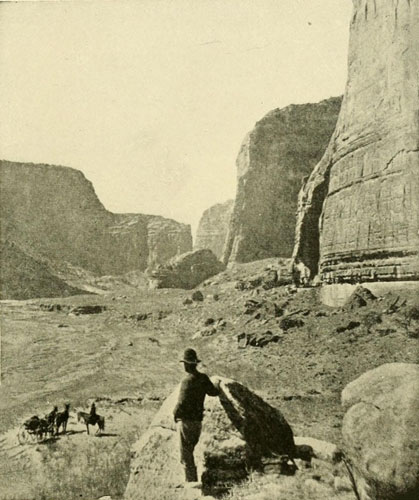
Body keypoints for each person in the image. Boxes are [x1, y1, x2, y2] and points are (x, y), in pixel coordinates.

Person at [173, 348, 219, 483]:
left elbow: (181, 402)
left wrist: (175, 414)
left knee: (186, 456)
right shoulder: (203, 378)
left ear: (187, 364)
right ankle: (194, 481)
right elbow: (213, 392)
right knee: (192, 451)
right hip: (197, 422)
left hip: (186, 421)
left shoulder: (187, 381)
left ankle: (191, 483)